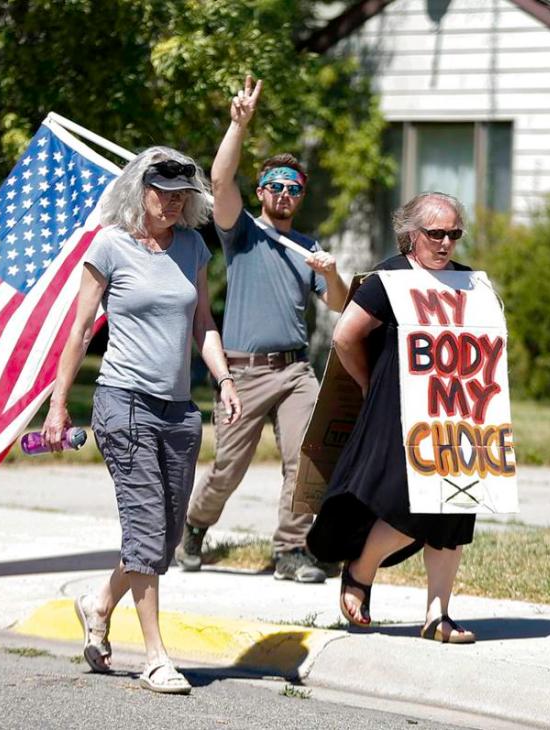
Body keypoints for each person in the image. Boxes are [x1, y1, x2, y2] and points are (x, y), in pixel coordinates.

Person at [43, 147, 242, 694]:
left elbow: (204, 323)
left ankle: (99, 602)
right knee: (147, 527)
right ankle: (156, 655)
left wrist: (224, 380)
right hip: (123, 403)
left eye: (183, 193)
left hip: (179, 412)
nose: (174, 201)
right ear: (140, 190)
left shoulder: (194, 248)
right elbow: (82, 328)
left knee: (166, 536)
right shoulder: (109, 246)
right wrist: (59, 403)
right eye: (164, 191)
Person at [176, 75, 348, 584]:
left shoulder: (308, 247)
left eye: (293, 188)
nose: (284, 194)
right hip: (244, 374)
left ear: (301, 196)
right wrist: (239, 124)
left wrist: (332, 273)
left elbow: (339, 304)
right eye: (275, 186)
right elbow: (219, 180)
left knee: (309, 459)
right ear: (261, 192)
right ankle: (194, 525)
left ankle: (291, 549)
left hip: (295, 370)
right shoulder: (243, 232)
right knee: (228, 469)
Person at [306, 192, 478, 644]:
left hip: (459, 416)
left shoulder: (469, 282)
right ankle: (362, 568)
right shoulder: (390, 278)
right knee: (408, 506)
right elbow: (345, 337)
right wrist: (368, 384)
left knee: (454, 514)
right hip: (399, 412)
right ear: (411, 234)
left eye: (453, 234)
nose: (445, 243)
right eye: (435, 234)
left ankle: (437, 615)